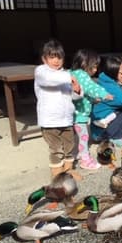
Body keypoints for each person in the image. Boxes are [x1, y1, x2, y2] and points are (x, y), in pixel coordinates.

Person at [34, 39, 82, 178]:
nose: (56, 60)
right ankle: (57, 175)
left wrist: (77, 90)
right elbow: (50, 79)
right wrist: (70, 77)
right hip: (50, 120)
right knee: (56, 149)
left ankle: (68, 170)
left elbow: (73, 97)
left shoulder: (65, 74)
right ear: (44, 59)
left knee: (69, 146)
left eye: (59, 57)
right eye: (52, 57)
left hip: (66, 119)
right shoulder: (42, 72)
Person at [71, 49, 113, 170]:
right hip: (79, 115)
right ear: (85, 63)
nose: (95, 70)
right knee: (84, 137)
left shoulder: (73, 73)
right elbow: (91, 87)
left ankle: (74, 154)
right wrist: (104, 94)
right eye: (94, 66)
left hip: (72, 113)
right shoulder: (82, 75)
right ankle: (85, 160)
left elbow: (84, 92)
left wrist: (94, 100)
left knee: (75, 137)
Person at [91, 56, 122, 146]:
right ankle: (115, 137)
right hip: (100, 133)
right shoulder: (110, 88)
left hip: (101, 126)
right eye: (121, 73)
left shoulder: (106, 81)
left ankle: (115, 133)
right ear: (112, 73)